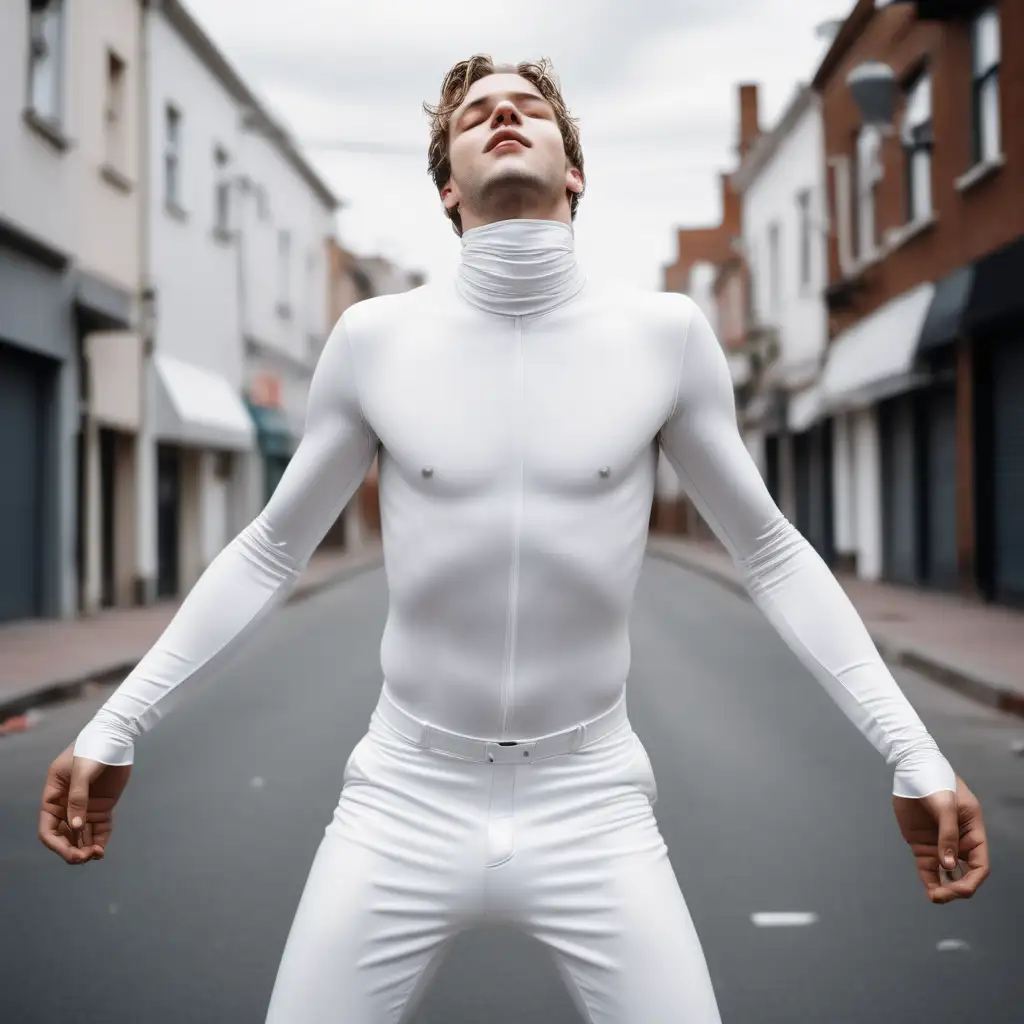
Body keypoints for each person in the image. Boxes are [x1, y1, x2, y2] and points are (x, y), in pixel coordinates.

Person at [39, 55, 990, 1023]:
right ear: (447, 185)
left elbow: (771, 552)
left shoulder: (662, 335)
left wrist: (909, 749)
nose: (503, 114)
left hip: (593, 801)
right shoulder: (376, 337)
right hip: (403, 795)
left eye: (528, 106)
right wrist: (116, 721)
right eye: (476, 113)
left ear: (573, 170)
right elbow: (270, 550)